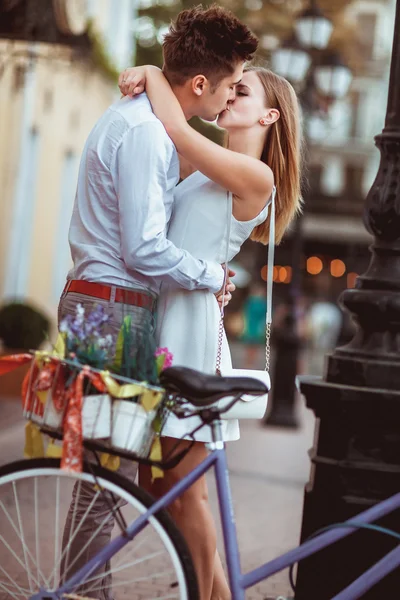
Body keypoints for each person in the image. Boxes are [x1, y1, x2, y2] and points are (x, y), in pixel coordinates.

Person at [58, 6, 258, 598]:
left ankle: (80, 588)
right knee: (105, 480)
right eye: (229, 83)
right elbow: (144, 246)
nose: (227, 97)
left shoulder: (145, 120)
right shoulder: (146, 131)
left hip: (107, 304)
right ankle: (79, 592)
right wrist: (209, 273)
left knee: (107, 477)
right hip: (112, 309)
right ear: (201, 83)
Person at [118, 61, 303, 598]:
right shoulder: (206, 169)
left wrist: (155, 72)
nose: (228, 96)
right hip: (168, 313)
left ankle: (215, 594)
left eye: (240, 91)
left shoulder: (256, 176)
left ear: (269, 115)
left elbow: (176, 128)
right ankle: (217, 590)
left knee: (184, 487)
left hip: (191, 332)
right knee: (157, 481)